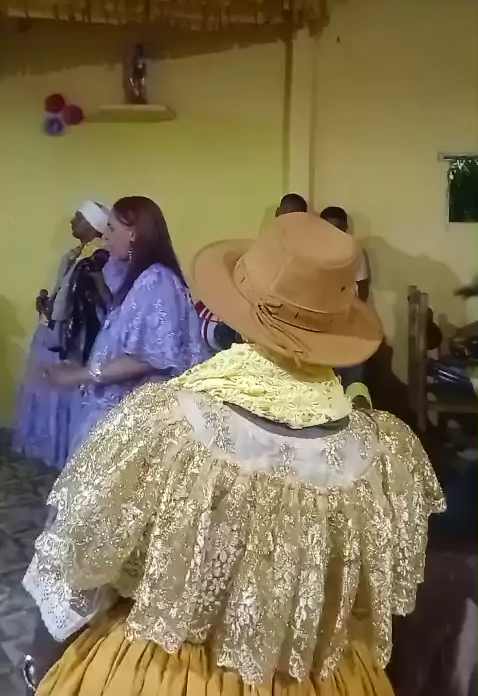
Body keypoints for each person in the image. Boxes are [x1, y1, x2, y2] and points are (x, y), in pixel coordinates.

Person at [22, 212, 445, 696]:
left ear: (235, 313)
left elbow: (82, 557)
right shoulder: (381, 454)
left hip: (167, 668)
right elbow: (367, 603)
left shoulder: (170, 421)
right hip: (311, 672)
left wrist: (44, 657)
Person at [40, 196, 209, 454]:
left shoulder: (157, 280)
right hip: (124, 416)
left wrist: (83, 374)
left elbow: (149, 358)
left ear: (132, 234)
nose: (105, 236)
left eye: (111, 228)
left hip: (136, 425)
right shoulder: (144, 278)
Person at [13, 200, 109, 469]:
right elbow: (65, 295)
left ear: (93, 225)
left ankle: (63, 455)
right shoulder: (76, 255)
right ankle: (47, 449)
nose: (72, 221)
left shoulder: (99, 259)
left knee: (64, 393)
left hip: (73, 339)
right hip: (56, 330)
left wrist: (58, 313)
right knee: (47, 390)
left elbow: (96, 303)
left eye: (78, 217)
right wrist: (48, 304)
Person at [320, 206, 370, 302]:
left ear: (345, 229)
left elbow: (362, 286)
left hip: (345, 305)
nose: (333, 234)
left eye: (338, 230)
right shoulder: (313, 249)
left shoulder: (355, 250)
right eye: (328, 229)